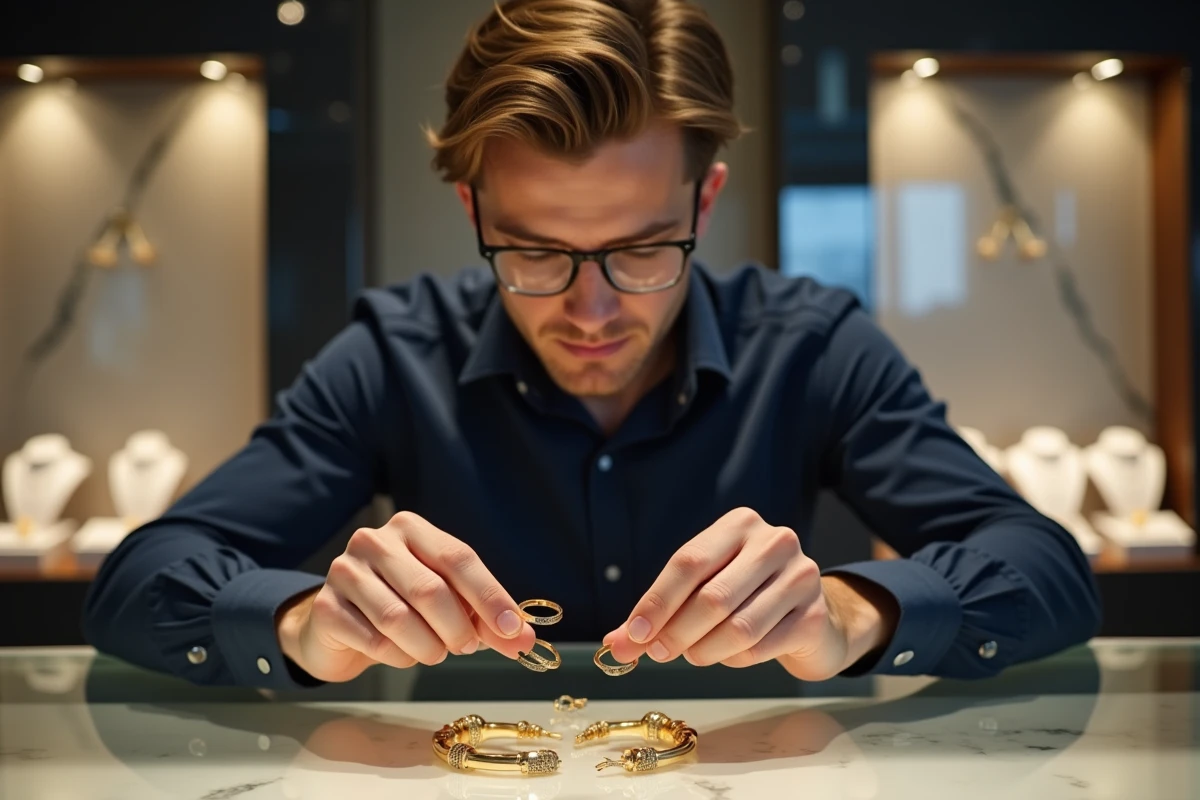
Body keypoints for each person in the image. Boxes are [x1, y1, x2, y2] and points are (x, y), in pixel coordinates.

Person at [83, 0, 1100, 689]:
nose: (593, 308)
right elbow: (142, 576)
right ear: (472, 206)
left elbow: (1046, 567)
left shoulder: (812, 343)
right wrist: (301, 622)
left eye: (643, 249)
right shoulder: (393, 354)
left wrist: (854, 612)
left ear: (705, 198)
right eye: (532, 250)